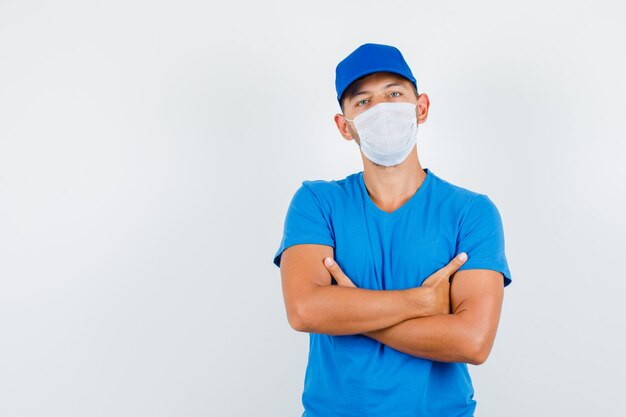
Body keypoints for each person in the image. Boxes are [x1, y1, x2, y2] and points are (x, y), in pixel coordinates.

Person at [272, 43, 512, 417]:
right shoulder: (317, 202)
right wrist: (420, 303)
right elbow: (304, 310)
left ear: (421, 108)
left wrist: (349, 311)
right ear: (344, 126)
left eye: (394, 94)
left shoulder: (471, 212)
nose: (382, 110)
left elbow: (473, 341)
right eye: (363, 102)